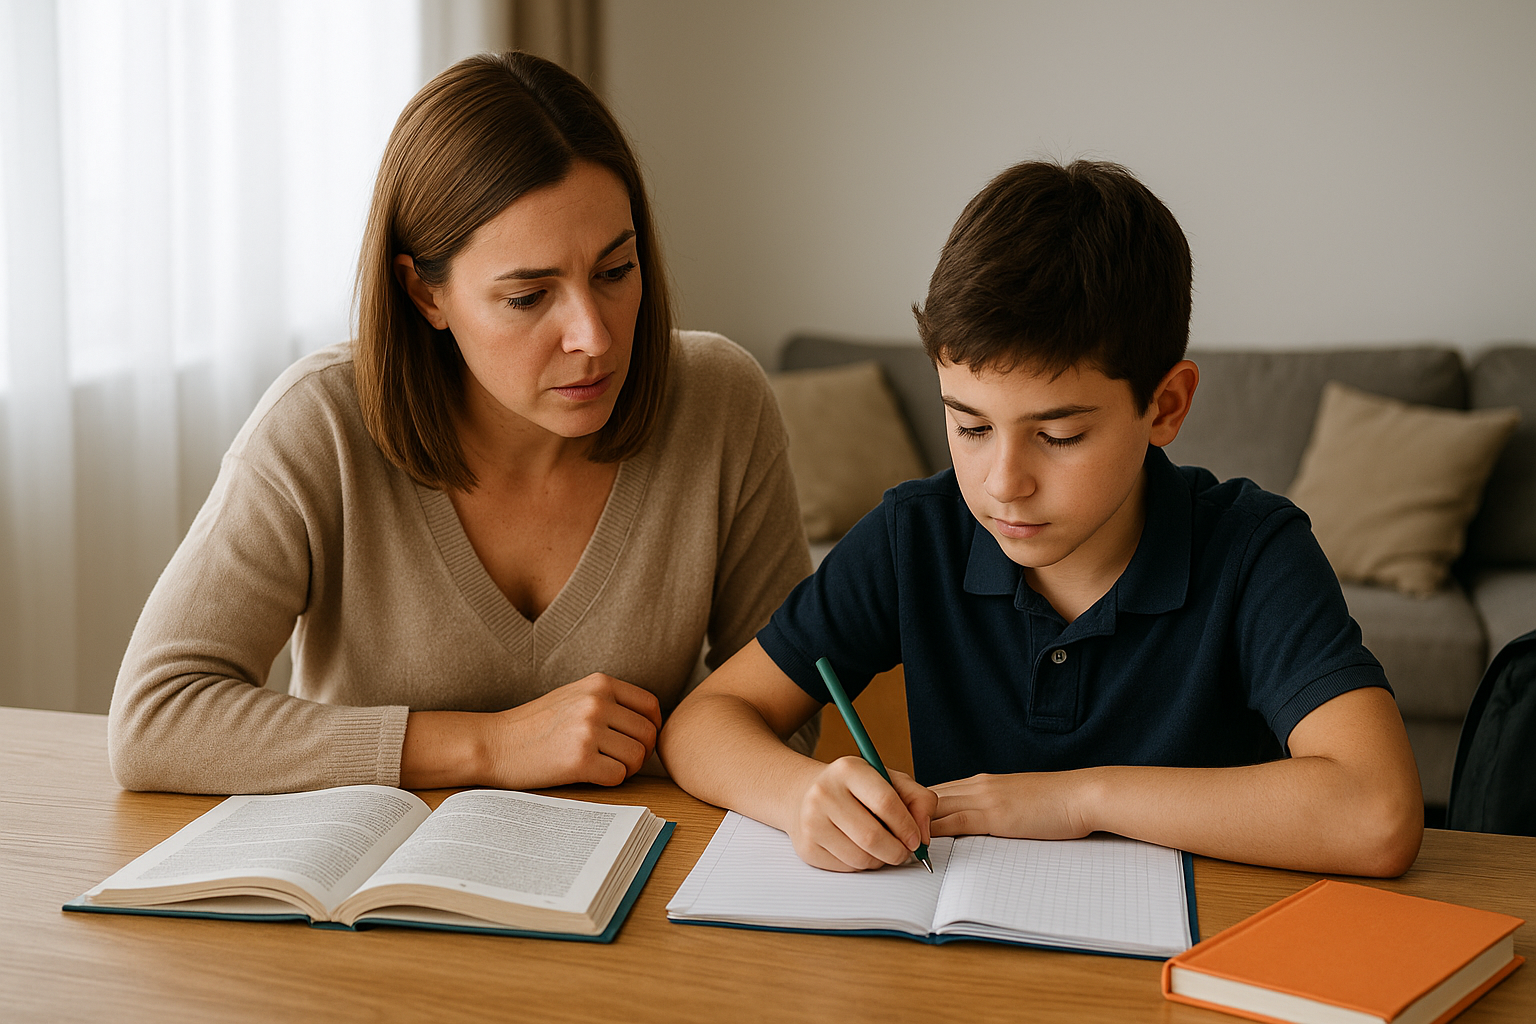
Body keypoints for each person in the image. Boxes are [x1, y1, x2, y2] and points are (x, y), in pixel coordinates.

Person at [658, 160, 1424, 878]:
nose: (1003, 484)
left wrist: (1077, 800)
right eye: (971, 426)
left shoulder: (1253, 552)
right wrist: (800, 793)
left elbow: (1378, 812)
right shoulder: (914, 537)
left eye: (1058, 436)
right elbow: (704, 722)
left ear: (1165, 406)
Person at [108, 52, 813, 794]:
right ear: (425, 294)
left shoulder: (719, 402)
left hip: (646, 857)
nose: (594, 337)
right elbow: (157, 720)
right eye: (528, 297)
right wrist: (491, 747)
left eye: (615, 272)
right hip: (370, 864)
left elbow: (789, 707)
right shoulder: (320, 425)